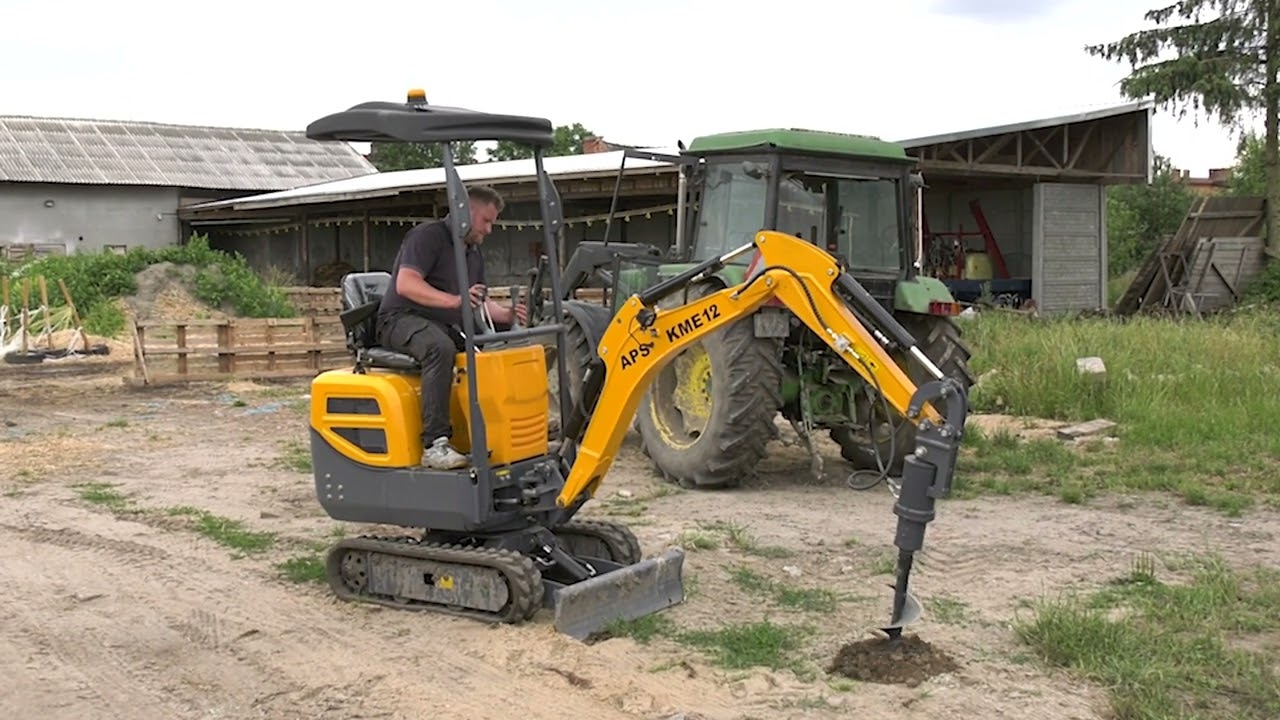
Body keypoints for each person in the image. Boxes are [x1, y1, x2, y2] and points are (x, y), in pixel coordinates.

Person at [376, 184, 527, 470]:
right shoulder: (427, 236)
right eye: (486, 221)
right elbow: (406, 283)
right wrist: (455, 301)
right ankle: (435, 444)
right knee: (439, 348)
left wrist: (507, 315)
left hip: (441, 323)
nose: (489, 230)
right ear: (466, 212)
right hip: (399, 319)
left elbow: (479, 301)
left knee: (494, 346)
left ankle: (505, 425)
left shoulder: (472, 252)